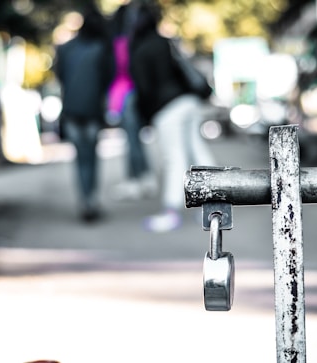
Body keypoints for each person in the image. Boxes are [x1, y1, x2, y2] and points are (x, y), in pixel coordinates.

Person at [129, 3, 216, 232]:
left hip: (166, 110)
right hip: (188, 101)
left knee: (174, 158)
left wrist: (145, 117)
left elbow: (144, 89)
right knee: (197, 152)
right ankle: (213, 204)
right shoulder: (164, 42)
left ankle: (171, 211)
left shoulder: (138, 50)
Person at [54, 7, 115, 222]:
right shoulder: (101, 49)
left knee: (80, 158)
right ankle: (91, 201)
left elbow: (61, 77)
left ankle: (85, 201)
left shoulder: (65, 49)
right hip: (92, 112)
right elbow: (108, 79)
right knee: (91, 158)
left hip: (71, 110)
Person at [106, 2, 157, 200]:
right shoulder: (130, 42)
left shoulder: (121, 44)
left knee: (132, 140)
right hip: (130, 95)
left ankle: (138, 179)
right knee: (133, 139)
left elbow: (120, 74)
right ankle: (141, 178)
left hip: (126, 96)